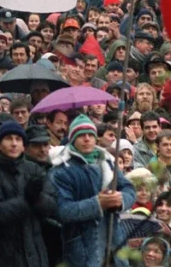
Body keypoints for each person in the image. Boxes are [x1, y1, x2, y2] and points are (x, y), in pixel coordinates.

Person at [49, 114, 136, 267]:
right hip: (82, 249)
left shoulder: (107, 161)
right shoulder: (61, 170)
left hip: (114, 243)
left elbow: (129, 188)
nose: (87, 139)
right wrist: (97, 204)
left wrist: (119, 200)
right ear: (72, 139)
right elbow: (63, 211)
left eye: (90, 135)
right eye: (81, 135)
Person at [0, 121, 57, 267]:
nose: (14, 143)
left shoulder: (34, 169)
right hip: (4, 256)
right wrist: (26, 200)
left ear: (23, 145)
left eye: (18, 139)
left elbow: (51, 206)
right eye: (8, 139)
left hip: (36, 253)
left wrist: (38, 199)